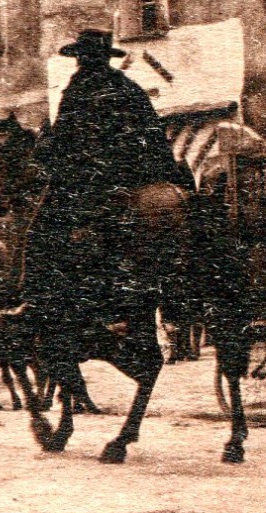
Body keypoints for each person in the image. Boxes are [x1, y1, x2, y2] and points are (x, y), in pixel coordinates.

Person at [23, 29, 184, 326]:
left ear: (83, 58)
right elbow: (153, 133)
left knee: (38, 232)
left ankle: (34, 300)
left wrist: (51, 158)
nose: (81, 62)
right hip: (140, 175)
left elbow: (64, 137)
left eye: (82, 57)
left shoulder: (78, 88)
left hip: (93, 179)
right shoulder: (129, 86)